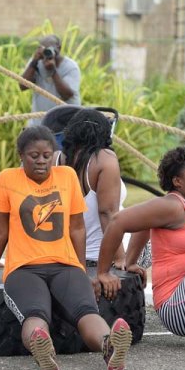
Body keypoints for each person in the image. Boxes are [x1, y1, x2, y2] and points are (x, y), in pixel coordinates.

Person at [0, 126, 131, 370]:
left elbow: (77, 229)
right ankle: (41, 346)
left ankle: (109, 345)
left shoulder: (66, 176)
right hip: (24, 270)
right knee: (35, 313)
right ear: (21, 155)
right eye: (34, 156)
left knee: (85, 311)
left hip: (65, 266)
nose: (42, 161)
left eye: (47, 155)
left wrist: (83, 271)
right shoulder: (7, 179)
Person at [98, 147, 185, 338]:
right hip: (178, 308)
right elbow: (117, 221)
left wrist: (132, 262)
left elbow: (145, 224)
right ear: (178, 181)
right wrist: (103, 272)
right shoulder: (172, 205)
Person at [56, 108, 126, 268]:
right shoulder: (105, 159)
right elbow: (107, 213)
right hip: (96, 256)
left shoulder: (53, 158)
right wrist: (120, 258)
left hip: (58, 253)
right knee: (147, 242)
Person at [19, 35, 81, 126]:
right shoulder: (37, 62)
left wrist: (53, 71)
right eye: (44, 49)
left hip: (65, 125)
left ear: (59, 48)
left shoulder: (71, 67)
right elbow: (22, 86)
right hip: (39, 122)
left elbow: (67, 95)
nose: (47, 53)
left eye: (50, 49)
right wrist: (34, 62)